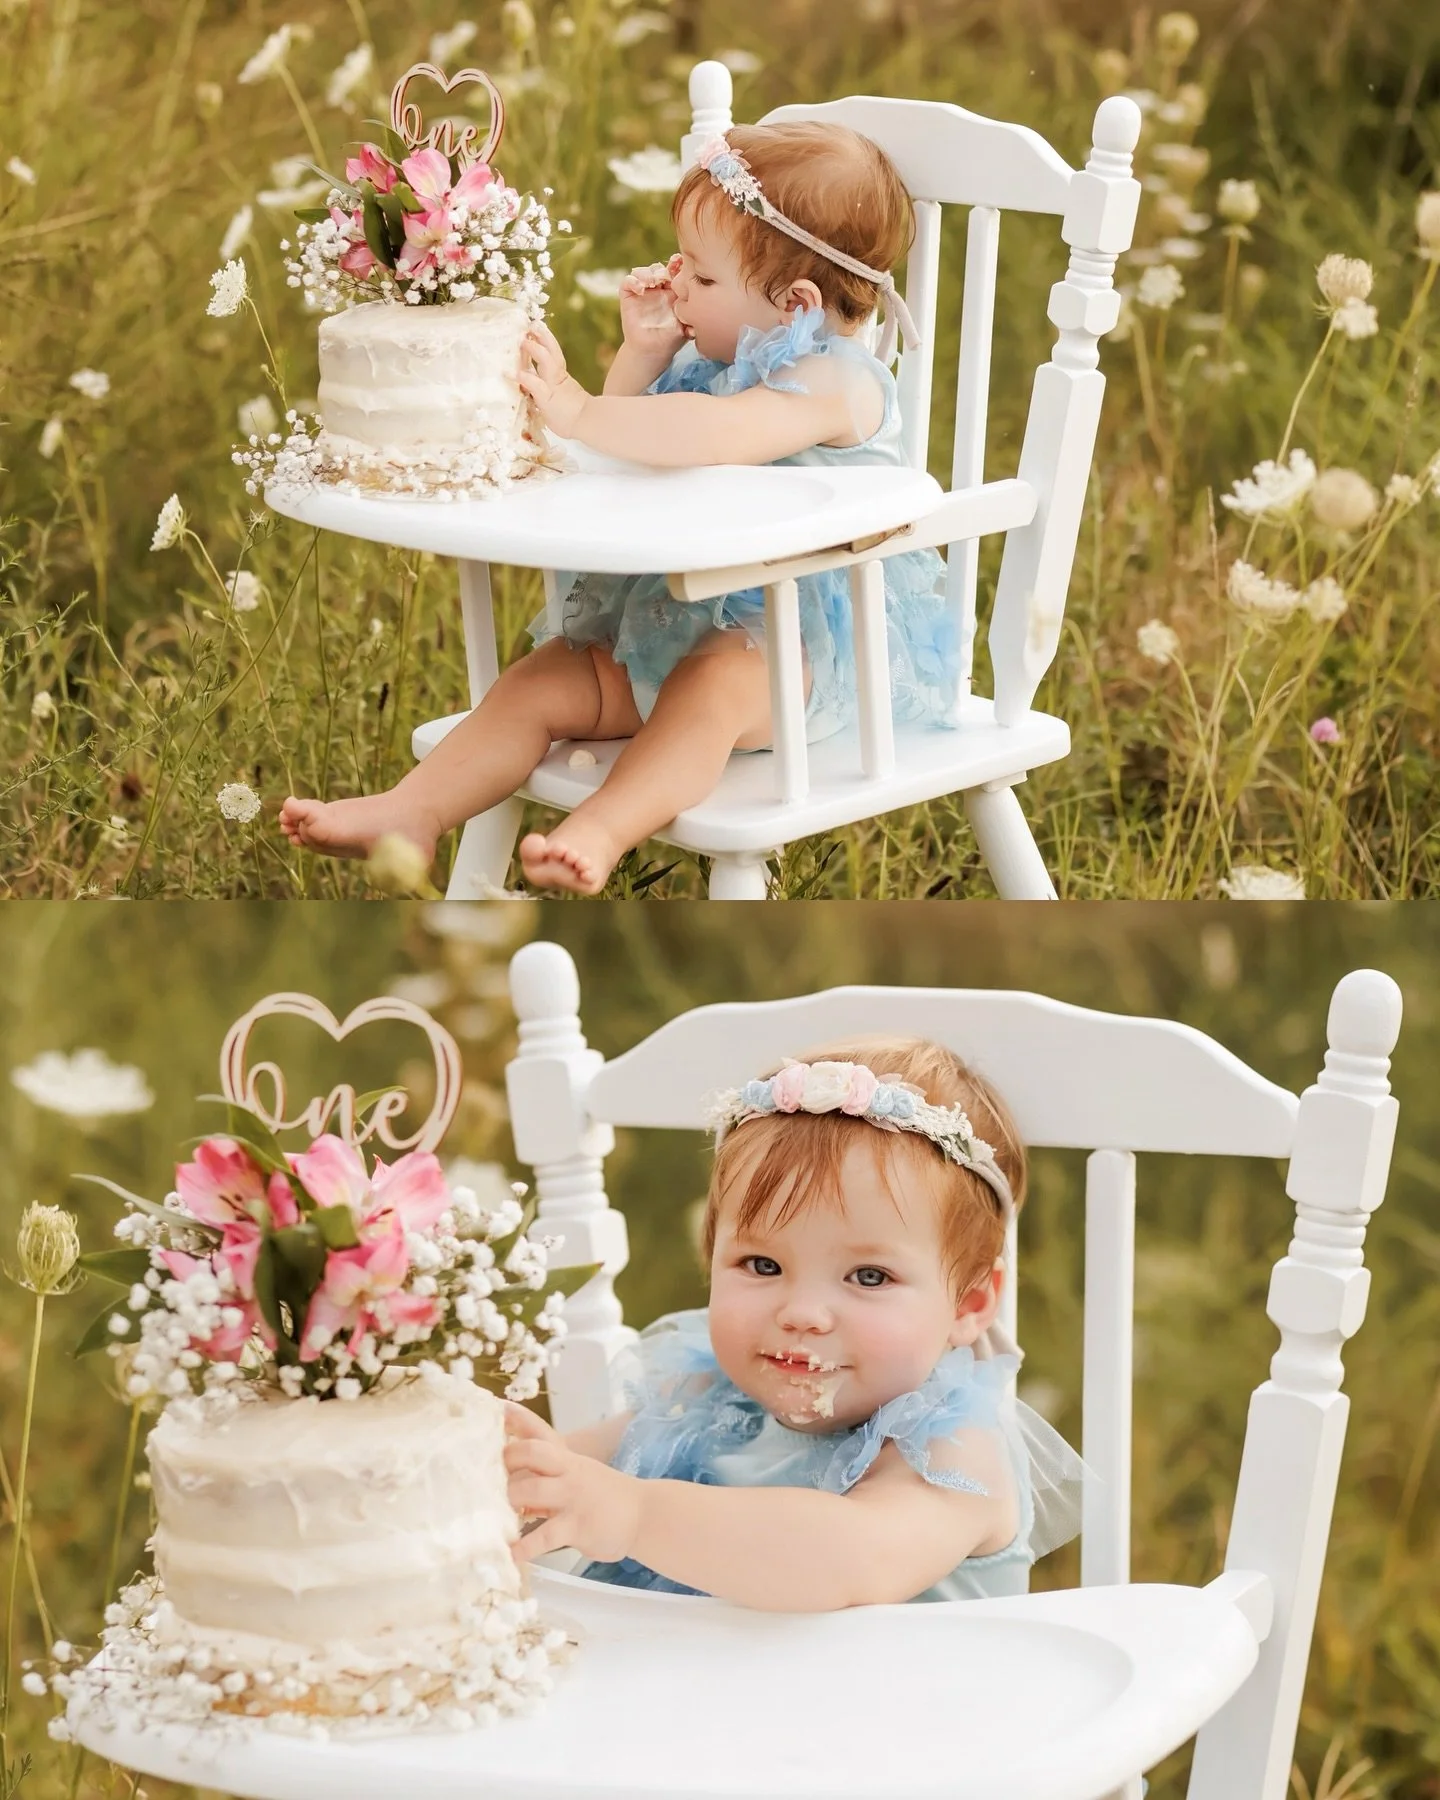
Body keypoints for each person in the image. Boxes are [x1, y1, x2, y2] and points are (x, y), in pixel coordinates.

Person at [281, 123, 962, 895]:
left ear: (795, 302)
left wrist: (571, 408)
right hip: (674, 618)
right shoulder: (718, 358)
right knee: (540, 681)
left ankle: (601, 830)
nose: (678, 285)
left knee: (711, 688)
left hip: (795, 651)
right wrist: (641, 354)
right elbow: (626, 444)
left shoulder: (838, 382)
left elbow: (709, 436)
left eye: (703, 280)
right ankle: (412, 810)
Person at [503, 1039, 1084, 1610]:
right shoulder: (711, 1396)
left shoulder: (950, 1450)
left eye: (869, 1277)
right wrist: (516, 1467)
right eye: (763, 1265)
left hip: (896, 1702)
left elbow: (849, 1558)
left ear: (968, 1305)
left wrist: (633, 1514)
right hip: (701, 1691)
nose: (801, 1313)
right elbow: (576, 1467)